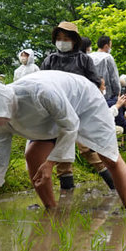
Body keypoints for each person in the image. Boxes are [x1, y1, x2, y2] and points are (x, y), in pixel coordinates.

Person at [0, 72, 126, 217]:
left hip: (84, 103)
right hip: (49, 118)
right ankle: (52, 210)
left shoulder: (40, 92)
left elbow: (70, 124)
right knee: (32, 156)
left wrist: (51, 163)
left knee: (109, 157)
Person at [41, 21, 110, 190]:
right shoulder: (50, 59)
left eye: (66, 38)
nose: (62, 41)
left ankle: (114, 186)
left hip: (79, 110)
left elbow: (95, 83)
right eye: (59, 38)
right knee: (61, 150)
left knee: (87, 149)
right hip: (55, 111)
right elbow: (40, 83)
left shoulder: (83, 60)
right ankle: (67, 194)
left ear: (74, 41)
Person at [89, 36, 120, 100]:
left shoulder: (89, 57)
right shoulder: (108, 58)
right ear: (106, 46)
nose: (110, 48)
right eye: (110, 46)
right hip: (106, 95)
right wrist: (118, 93)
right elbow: (114, 78)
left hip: (90, 94)